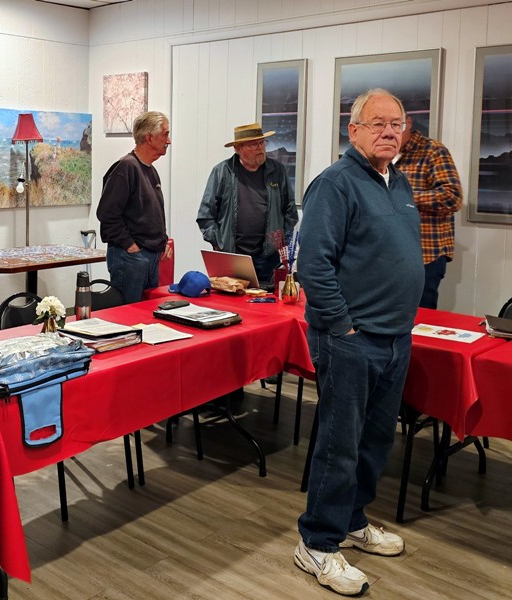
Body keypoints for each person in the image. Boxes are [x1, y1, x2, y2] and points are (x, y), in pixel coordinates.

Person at [294, 89, 423, 596]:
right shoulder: (335, 183)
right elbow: (313, 265)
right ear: (354, 131)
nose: (389, 132)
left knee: (375, 441)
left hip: (394, 337)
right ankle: (318, 544)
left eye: (397, 124)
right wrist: (343, 326)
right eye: (377, 124)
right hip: (351, 339)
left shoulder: (399, 181)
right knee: (339, 445)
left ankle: (351, 521)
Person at [196, 122, 298, 284]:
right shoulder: (222, 172)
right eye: (253, 144)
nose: (260, 148)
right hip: (232, 256)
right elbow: (206, 215)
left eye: (261, 142)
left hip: (268, 257)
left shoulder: (277, 171)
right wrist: (218, 243)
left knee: (265, 304)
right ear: (238, 149)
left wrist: (279, 240)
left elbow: (290, 211)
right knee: (231, 303)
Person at [96, 111, 173, 303]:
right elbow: (107, 214)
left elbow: (151, 214)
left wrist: (162, 241)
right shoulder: (126, 168)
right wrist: (130, 246)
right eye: (165, 134)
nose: (169, 140)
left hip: (149, 257)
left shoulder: (151, 170)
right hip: (131, 258)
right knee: (128, 319)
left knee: (147, 316)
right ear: (149, 137)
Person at [393, 114, 462, 308]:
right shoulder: (382, 154)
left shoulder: (433, 151)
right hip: (387, 254)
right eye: (381, 124)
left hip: (425, 254)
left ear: (409, 122)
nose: (390, 131)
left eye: (396, 123)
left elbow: (453, 196)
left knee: (420, 323)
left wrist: (402, 196)